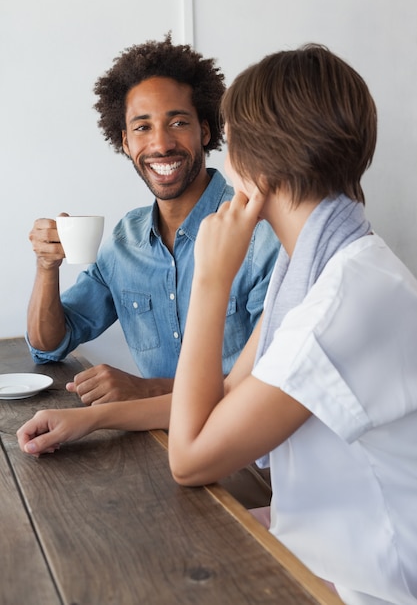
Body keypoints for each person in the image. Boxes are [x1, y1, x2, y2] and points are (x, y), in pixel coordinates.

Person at [165, 45, 417, 604]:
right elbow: (226, 399)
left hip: (368, 582)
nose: (223, 159)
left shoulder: (340, 300)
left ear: (259, 164)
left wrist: (210, 282)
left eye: (227, 140)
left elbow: (190, 458)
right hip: (332, 543)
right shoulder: (318, 267)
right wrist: (97, 420)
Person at [25, 34, 278, 508]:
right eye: (142, 127)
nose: (160, 143)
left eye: (177, 122)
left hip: (250, 461)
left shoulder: (257, 230)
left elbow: (267, 388)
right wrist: (46, 266)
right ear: (124, 141)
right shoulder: (125, 241)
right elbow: (50, 345)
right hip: (154, 442)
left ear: (206, 129)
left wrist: (143, 391)